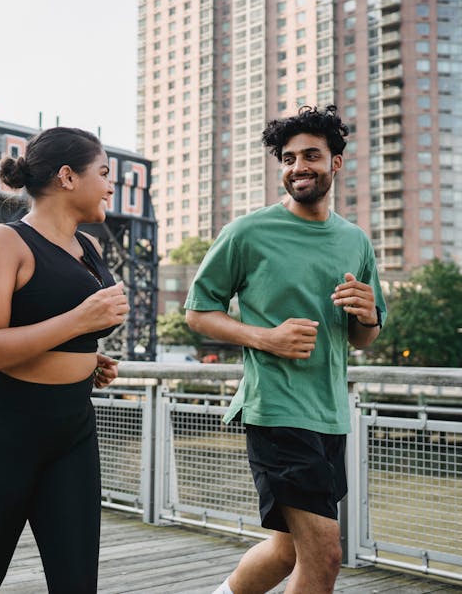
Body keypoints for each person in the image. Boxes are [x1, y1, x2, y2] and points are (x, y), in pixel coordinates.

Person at [184, 105, 386, 594]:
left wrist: (369, 315)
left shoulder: (354, 240)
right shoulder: (247, 233)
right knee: (326, 555)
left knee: (286, 549)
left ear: (336, 162)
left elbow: (363, 339)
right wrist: (265, 337)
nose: (299, 167)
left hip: (331, 413)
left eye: (312, 155)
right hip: (275, 410)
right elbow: (197, 311)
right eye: (289, 158)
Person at [0, 127, 129, 593]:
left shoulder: (87, 248)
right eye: (104, 173)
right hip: (1, 429)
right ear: (68, 177)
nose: (112, 185)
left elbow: (57, 329)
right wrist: (78, 321)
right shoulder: (4, 242)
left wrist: (87, 357)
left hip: (72, 429)